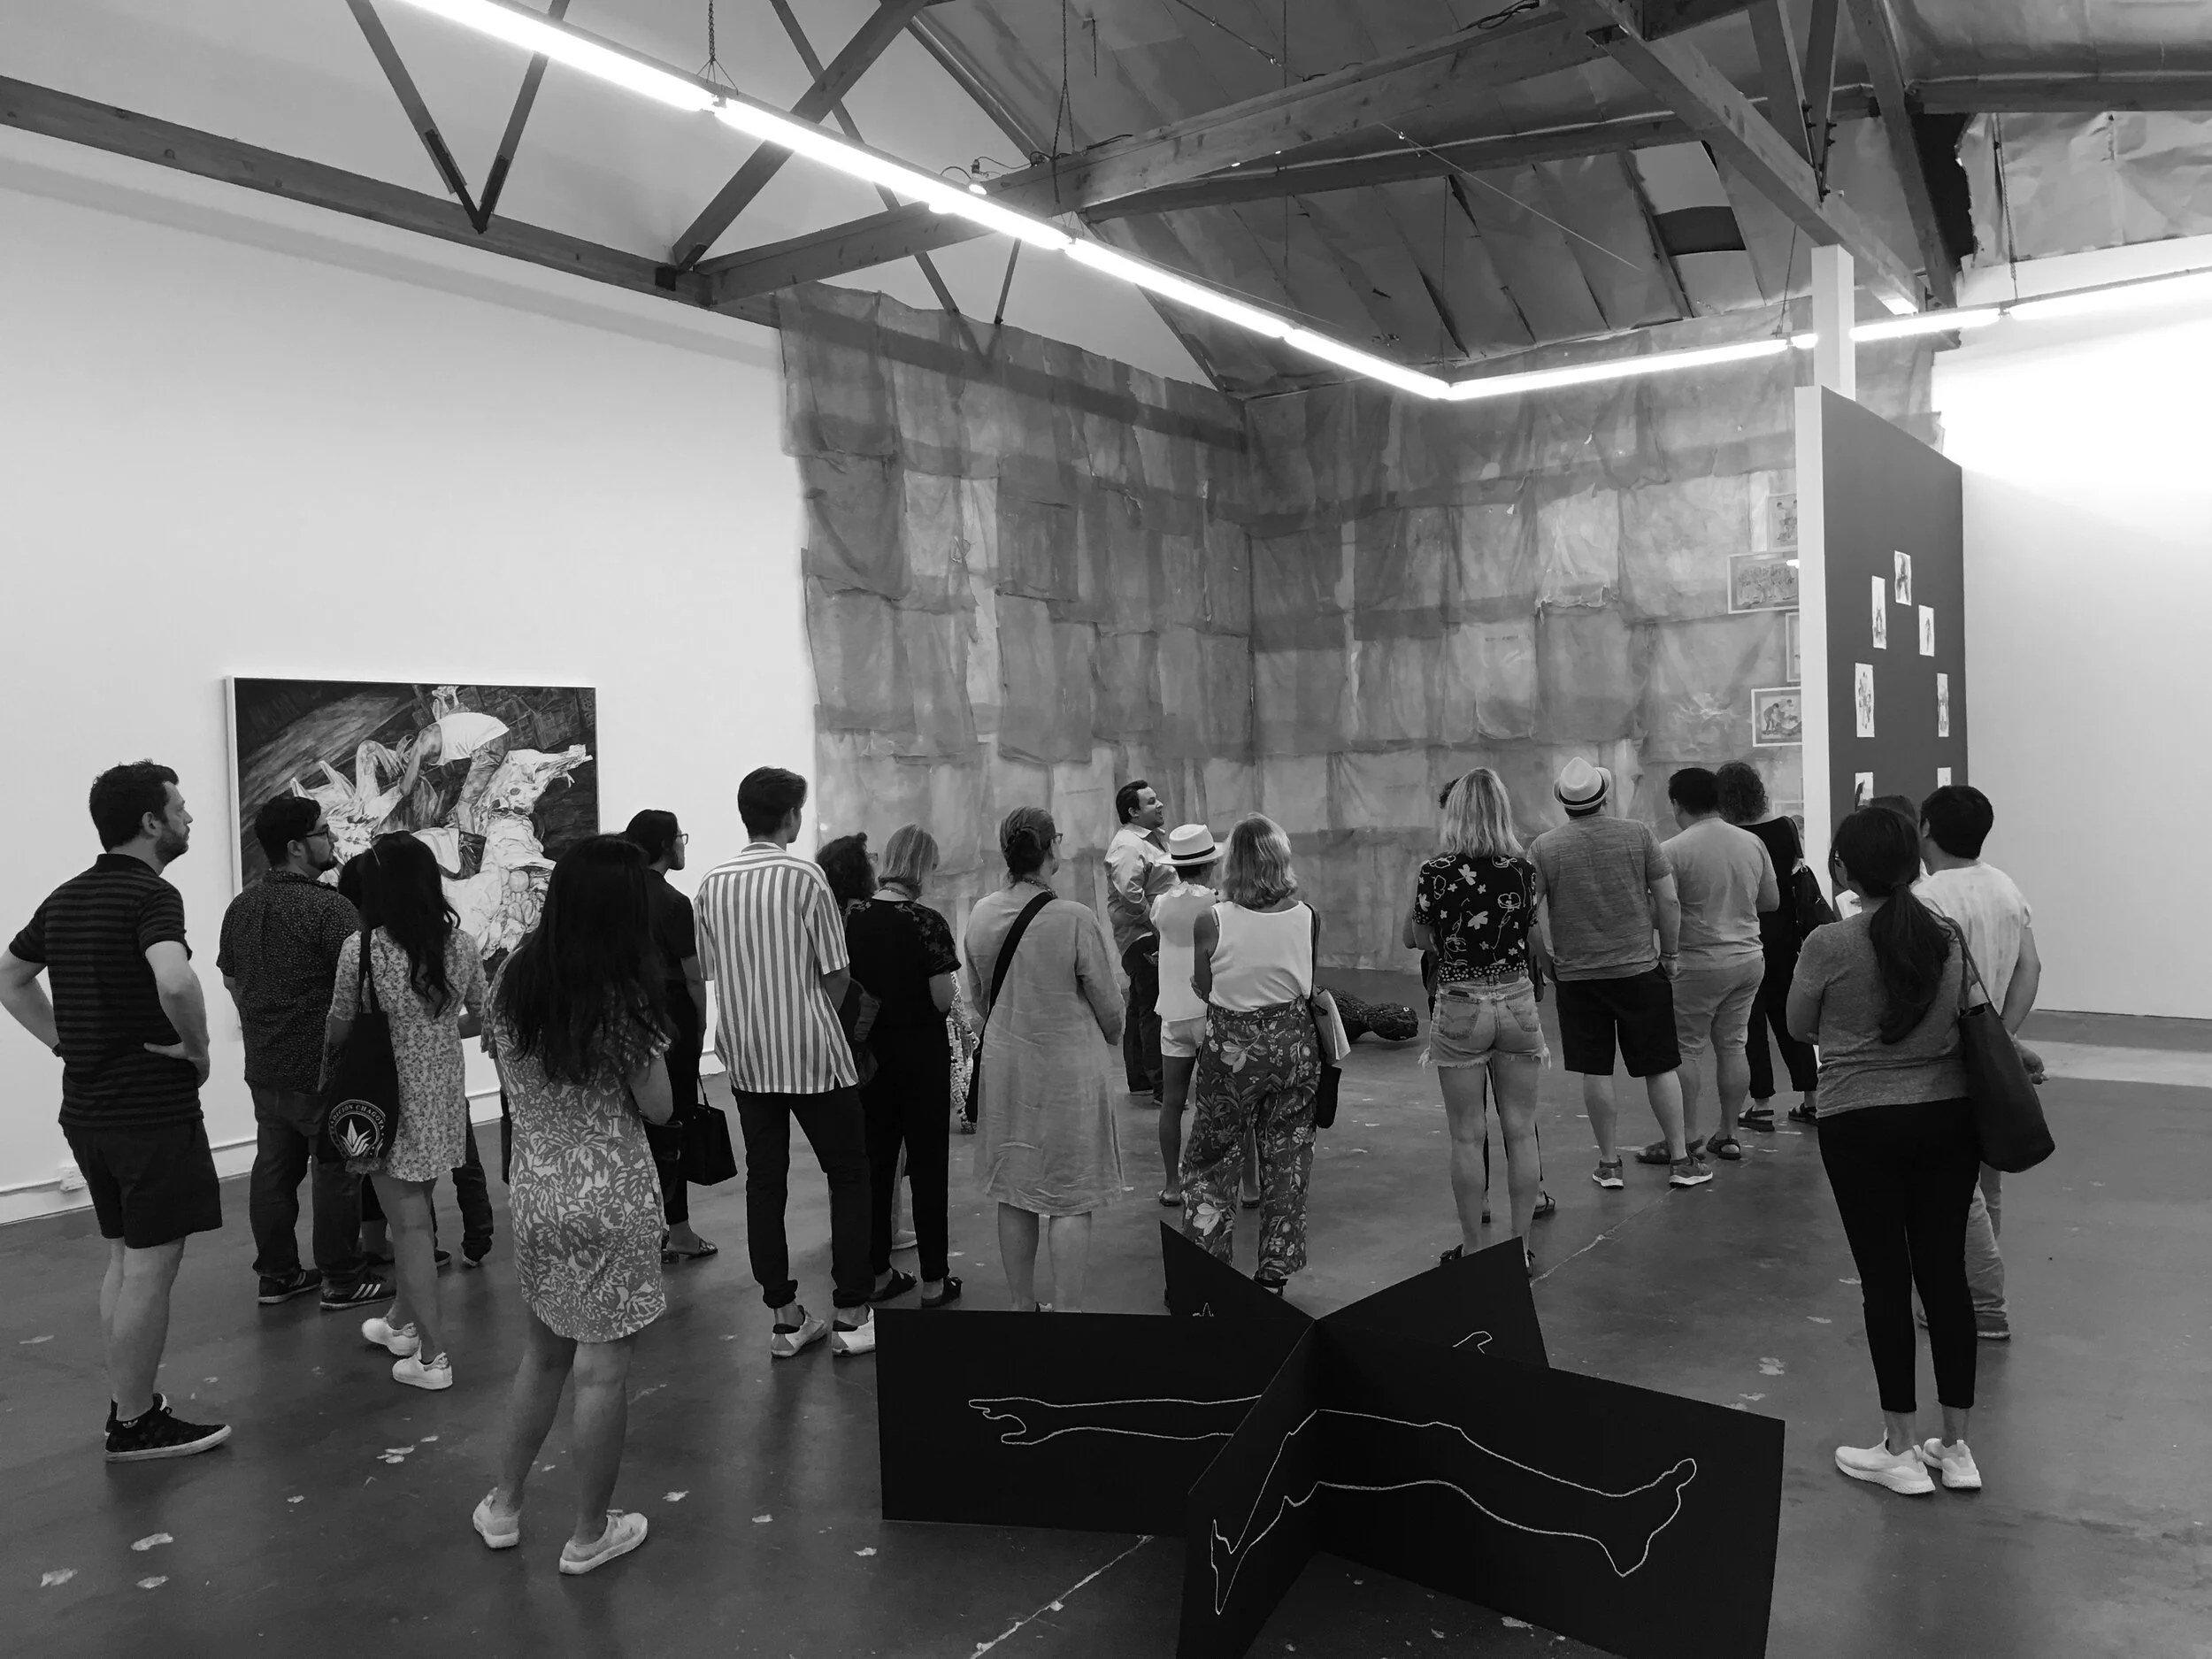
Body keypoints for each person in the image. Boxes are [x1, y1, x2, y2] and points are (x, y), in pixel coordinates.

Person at [0, 762, 229, 1459]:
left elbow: (10, 976)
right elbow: (176, 980)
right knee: (151, 1266)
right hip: (149, 1111)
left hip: (88, 1110)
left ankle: (131, 1403)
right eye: (179, 807)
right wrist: (198, 1050)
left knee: (125, 1259)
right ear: (150, 822)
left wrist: (62, 1041)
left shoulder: (67, 896)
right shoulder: (151, 895)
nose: (189, 817)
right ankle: (133, 1421)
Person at [475, 835, 673, 1574]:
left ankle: (503, 1504)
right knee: (603, 1371)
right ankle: (590, 1534)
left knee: (544, 1352)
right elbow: (660, 1107)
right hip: (612, 1193)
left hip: (536, 1189)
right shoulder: (623, 995)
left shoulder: (511, 978)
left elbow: (503, 1064)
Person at [1787, 806, 1982, 1497]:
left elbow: (1799, 1025)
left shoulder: (1828, 943)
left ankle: (1900, 1446)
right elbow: (1967, 1014)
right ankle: (1956, 1448)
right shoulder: (1945, 936)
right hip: (1947, 1118)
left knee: (1885, 1282)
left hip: (1860, 1123)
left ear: (1843, 867)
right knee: (1946, 1277)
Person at [695, 768, 874, 1357]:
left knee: (765, 1183)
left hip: (747, 1055)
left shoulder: (712, 884)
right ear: (791, 815)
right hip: (813, 1053)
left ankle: (785, 1318)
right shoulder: (805, 876)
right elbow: (837, 972)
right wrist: (814, 1016)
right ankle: (852, 1313)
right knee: (848, 1175)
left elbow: (710, 970)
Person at [330, 833, 487, 1391]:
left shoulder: (363, 949)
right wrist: (435, 1029)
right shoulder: (461, 944)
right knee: (415, 1214)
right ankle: (401, 1323)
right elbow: (481, 1017)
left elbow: (340, 1029)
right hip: (442, 1097)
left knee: (411, 1227)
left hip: (386, 1101)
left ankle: (434, 1357)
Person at [219, 795, 388, 1311]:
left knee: (273, 1172)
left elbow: (230, 979)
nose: (331, 838)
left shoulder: (242, 906)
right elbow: (366, 985)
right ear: (296, 846)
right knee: (336, 1173)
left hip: (265, 1065)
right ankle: (342, 1278)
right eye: (322, 831)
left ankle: (278, 1276)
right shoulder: (330, 908)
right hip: (322, 1069)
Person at [966, 807, 1124, 1312]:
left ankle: (1021, 1305)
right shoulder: (1074, 918)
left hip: (1006, 1067)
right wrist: (1113, 1032)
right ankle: (1068, 1313)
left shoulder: (982, 914)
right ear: (1051, 846)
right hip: (1068, 1073)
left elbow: (979, 998)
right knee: (1070, 1193)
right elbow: (1110, 1008)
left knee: (1015, 1187)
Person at [1526, 759, 1707, 1191]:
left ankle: (1609, 1165)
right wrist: (1671, 953)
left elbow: (1527, 912)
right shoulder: (1638, 834)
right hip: (1639, 969)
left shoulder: (1545, 847)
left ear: (1564, 803)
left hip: (1577, 976)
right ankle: (1681, 1160)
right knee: (1660, 1066)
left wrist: (1546, 961)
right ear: (1604, 796)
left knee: (1595, 1069)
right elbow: (1669, 901)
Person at [1916, 784, 2043, 1342]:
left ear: (1926, 828)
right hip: (1990, 1058)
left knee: (1947, 1191)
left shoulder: (1927, 900)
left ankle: (1974, 1301)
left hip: (1944, 1059)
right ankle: (1973, 1293)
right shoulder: (2005, 886)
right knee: (1985, 1186)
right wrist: (2003, 1036)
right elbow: (2030, 967)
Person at [1410, 771, 1549, 1271]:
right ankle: (1521, 1249)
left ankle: (1472, 1251)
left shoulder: (1435, 872)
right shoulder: (1523, 870)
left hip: (1460, 1001)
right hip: (1517, 1000)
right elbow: (1530, 934)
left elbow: (1420, 939)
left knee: (1467, 1136)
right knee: (1521, 1131)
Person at [1185, 814, 1324, 1294]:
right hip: (1293, 1044)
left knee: (1212, 1157)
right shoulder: (1307, 916)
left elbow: (1205, 987)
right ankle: (1274, 1274)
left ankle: (1206, 1272)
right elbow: (1307, 980)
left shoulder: (1212, 920)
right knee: (1287, 1156)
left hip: (1232, 1050)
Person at [845, 825, 964, 1308]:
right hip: (920, 1056)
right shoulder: (926, 922)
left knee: (875, 1164)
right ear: (921, 866)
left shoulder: (852, 917)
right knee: (929, 1165)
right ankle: (934, 1280)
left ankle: (877, 1273)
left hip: (869, 1057)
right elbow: (942, 998)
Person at [1648, 768, 1778, 1167]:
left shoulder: (1672, 850)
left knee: (1686, 1049)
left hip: (1697, 962)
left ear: (1676, 804)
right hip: (1748, 959)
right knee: (1734, 1045)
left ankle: (1687, 1138)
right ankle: (1729, 1133)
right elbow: (1770, 901)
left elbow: (1660, 912)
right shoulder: (1751, 842)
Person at [621, 810, 714, 1264]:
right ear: (664, 844)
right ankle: (678, 1231)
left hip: (624, 1017)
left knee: (631, 1124)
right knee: (672, 1125)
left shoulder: (617, 894)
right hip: (671, 1018)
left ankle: (642, 1229)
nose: (683, 844)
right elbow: (693, 976)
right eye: (680, 836)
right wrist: (700, 1025)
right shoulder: (674, 901)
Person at [1714, 762, 1821, 1128]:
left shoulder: (1730, 838)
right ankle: (1812, 1099)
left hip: (1745, 935)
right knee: (1790, 1018)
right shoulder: (1785, 828)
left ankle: (1761, 1105)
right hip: (1786, 937)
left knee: (1750, 1023)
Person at [1151, 825, 1222, 1208]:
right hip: (1211, 1012)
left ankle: (1171, 1184)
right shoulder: (1218, 904)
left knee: (1173, 1101)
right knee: (1225, 1101)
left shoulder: (1161, 905)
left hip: (1173, 1013)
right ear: (1210, 865)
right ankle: (1243, 1183)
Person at [1106, 780, 1172, 1104]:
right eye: (1151, 802)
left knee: (1141, 1005)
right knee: (1154, 1009)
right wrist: (1155, 924)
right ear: (1133, 812)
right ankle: (1163, 1087)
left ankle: (1142, 1079)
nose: (1159, 805)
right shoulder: (1129, 845)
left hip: (1147, 933)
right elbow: (1130, 895)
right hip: (1144, 936)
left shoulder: (1148, 840)